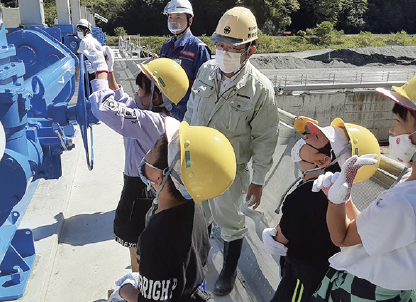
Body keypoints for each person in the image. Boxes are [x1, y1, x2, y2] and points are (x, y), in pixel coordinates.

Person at [309, 68, 416, 302]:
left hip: (365, 293)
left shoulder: (404, 202)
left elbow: (342, 237)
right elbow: (364, 230)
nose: (392, 131)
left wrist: (334, 200)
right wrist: (346, 197)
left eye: (398, 121)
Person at [184, 6, 279, 296]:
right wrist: (180, 151)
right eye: (220, 45)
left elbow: (265, 138)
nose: (224, 52)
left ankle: (228, 269)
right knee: (197, 214)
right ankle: (195, 261)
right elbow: (190, 113)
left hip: (231, 170)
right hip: (197, 163)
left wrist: (259, 180)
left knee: (229, 222)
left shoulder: (260, 89)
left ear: (250, 50)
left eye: (233, 47)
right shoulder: (205, 71)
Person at [86, 49, 189, 272]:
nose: (138, 92)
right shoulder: (162, 118)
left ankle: (138, 283)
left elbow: (106, 109)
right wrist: (111, 72)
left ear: (157, 95)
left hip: (140, 192)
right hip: (147, 188)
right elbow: (125, 105)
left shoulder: (152, 122)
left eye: (143, 88)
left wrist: (100, 73)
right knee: (143, 247)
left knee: (139, 250)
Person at [114, 117, 237, 302]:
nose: (147, 152)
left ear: (159, 176)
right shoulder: (195, 208)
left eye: (152, 149)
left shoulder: (154, 238)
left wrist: (124, 290)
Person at [261, 117, 380, 302]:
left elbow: (282, 238)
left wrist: (271, 235)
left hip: (301, 279)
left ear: (322, 160)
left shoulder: (306, 194)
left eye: (315, 138)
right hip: (323, 277)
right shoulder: (334, 193)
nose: (306, 137)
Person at [160, 0, 211, 121]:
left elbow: (206, 88)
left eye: (178, 17)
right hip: (166, 110)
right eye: (170, 17)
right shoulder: (166, 46)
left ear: (190, 21)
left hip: (188, 113)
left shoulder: (199, 49)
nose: (173, 21)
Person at [76, 18, 104, 97]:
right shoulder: (95, 41)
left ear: (85, 30)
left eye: (79, 30)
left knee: (88, 95)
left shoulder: (84, 42)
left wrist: (76, 73)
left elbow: (80, 58)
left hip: (89, 73)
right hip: (98, 72)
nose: (78, 32)